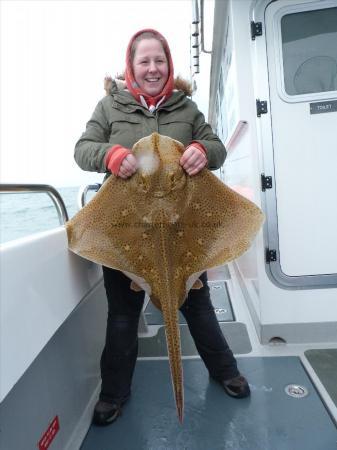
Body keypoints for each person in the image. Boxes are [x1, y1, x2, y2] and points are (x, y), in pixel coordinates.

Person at [74, 29, 250, 426]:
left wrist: (203, 151)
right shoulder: (110, 106)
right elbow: (83, 149)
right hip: (126, 231)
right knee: (122, 314)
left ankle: (225, 371)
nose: (153, 68)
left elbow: (217, 146)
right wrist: (111, 155)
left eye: (160, 61)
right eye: (144, 61)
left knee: (197, 305)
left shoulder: (185, 109)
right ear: (130, 66)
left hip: (181, 229)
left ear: (169, 65)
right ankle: (114, 393)